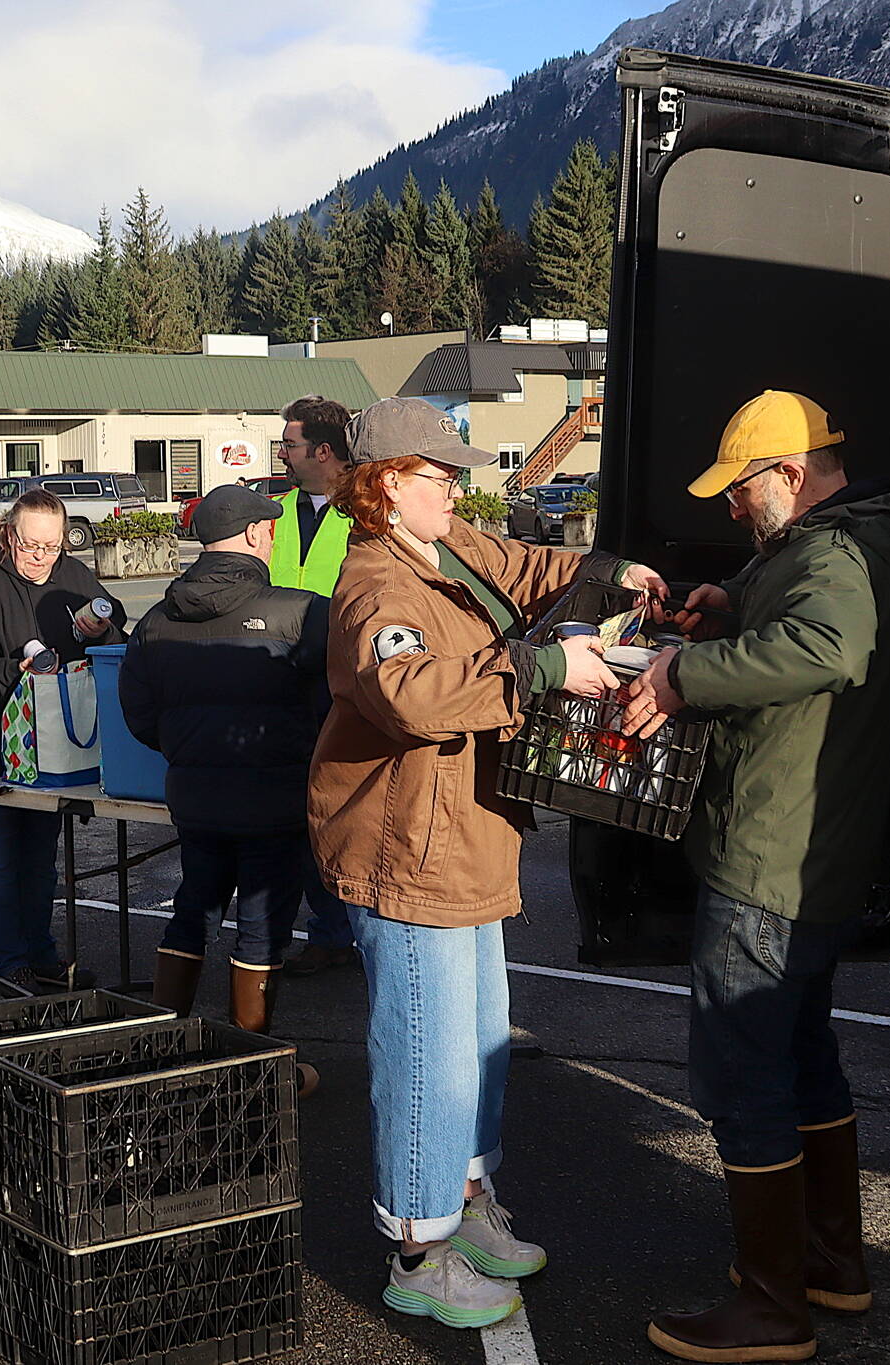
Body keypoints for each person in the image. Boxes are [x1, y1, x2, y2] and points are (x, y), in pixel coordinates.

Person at [307, 397, 667, 1331]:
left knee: (476, 1045)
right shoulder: (373, 585)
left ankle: (463, 1210)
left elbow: (525, 567)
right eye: (441, 475)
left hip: (465, 839)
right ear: (387, 485)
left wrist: (608, 570)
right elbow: (413, 694)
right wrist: (544, 672)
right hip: (409, 853)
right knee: (426, 1056)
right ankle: (419, 1254)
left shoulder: (447, 544)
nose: (456, 489)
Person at [619, 390, 890, 1364]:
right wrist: (729, 607)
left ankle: (770, 1308)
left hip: (769, 853)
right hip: (819, 851)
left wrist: (680, 675)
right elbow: (798, 623)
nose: (729, 509)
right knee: (802, 1057)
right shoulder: (852, 540)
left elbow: (823, 644)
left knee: (739, 1074)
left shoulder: (829, 554)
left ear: (790, 477)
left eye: (739, 489)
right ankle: (826, 1264)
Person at [119, 485, 328, 1093]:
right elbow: (334, 702)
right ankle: (252, 1065)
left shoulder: (157, 619)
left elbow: (137, 709)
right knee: (262, 924)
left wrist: (189, 750)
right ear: (261, 536)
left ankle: (161, 1045)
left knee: (194, 906)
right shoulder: (301, 613)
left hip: (196, 795)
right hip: (276, 799)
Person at [0, 488, 121, 993]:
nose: (40, 557)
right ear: (9, 536)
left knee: (39, 857)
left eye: (51, 546)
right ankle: (10, 960)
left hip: (51, 748)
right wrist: (13, 671)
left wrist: (98, 629)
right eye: (29, 545)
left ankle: (41, 953)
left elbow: (114, 638)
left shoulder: (75, 577)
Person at [272, 394, 359, 976]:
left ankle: (348, 931)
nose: (283, 451)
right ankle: (321, 933)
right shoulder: (271, 513)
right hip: (277, 688)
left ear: (323, 450)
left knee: (345, 817)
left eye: (292, 443)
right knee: (290, 821)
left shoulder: (367, 514)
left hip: (342, 690)